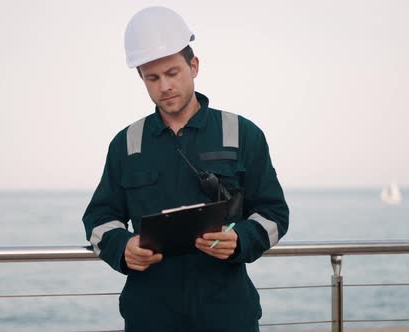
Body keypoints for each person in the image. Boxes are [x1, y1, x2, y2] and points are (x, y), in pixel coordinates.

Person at [82, 6, 289, 332]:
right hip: (150, 314)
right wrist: (122, 247)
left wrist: (241, 239)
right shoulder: (126, 144)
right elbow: (98, 220)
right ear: (141, 79)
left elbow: (274, 214)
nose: (164, 86)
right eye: (152, 77)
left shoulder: (242, 134)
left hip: (226, 311)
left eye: (172, 73)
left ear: (194, 66)